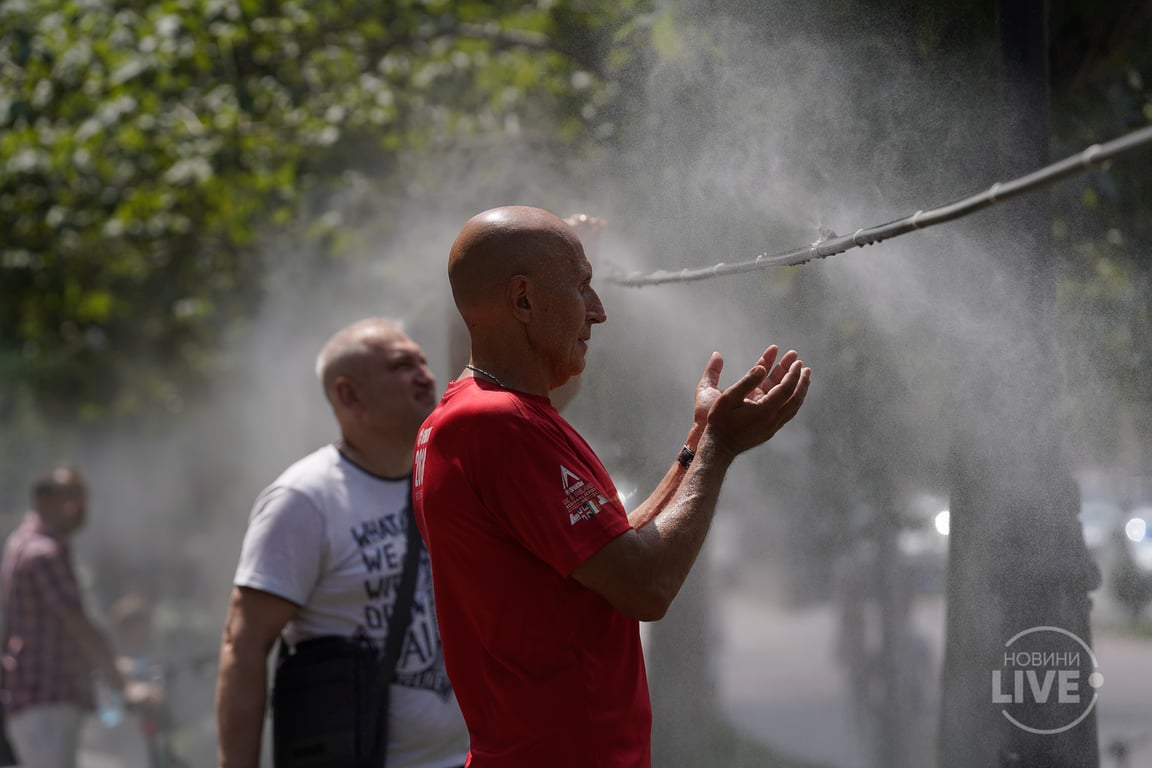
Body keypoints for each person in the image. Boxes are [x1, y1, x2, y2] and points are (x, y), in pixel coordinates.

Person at [413, 205, 812, 767]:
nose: (597, 312)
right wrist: (720, 451)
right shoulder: (496, 425)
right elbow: (645, 585)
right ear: (523, 300)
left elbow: (618, 546)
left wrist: (698, 442)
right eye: (582, 287)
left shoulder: (488, 416)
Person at [215, 318, 469, 768]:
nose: (425, 375)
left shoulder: (450, 471)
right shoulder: (304, 501)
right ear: (349, 394)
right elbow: (244, 646)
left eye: (423, 362)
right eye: (401, 365)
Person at [0, 466, 152, 768]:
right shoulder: (44, 552)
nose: (81, 506)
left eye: (83, 496)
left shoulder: (22, 543)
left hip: (38, 704)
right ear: (43, 502)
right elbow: (78, 624)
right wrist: (124, 686)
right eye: (70, 496)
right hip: (45, 704)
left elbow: (53, 632)